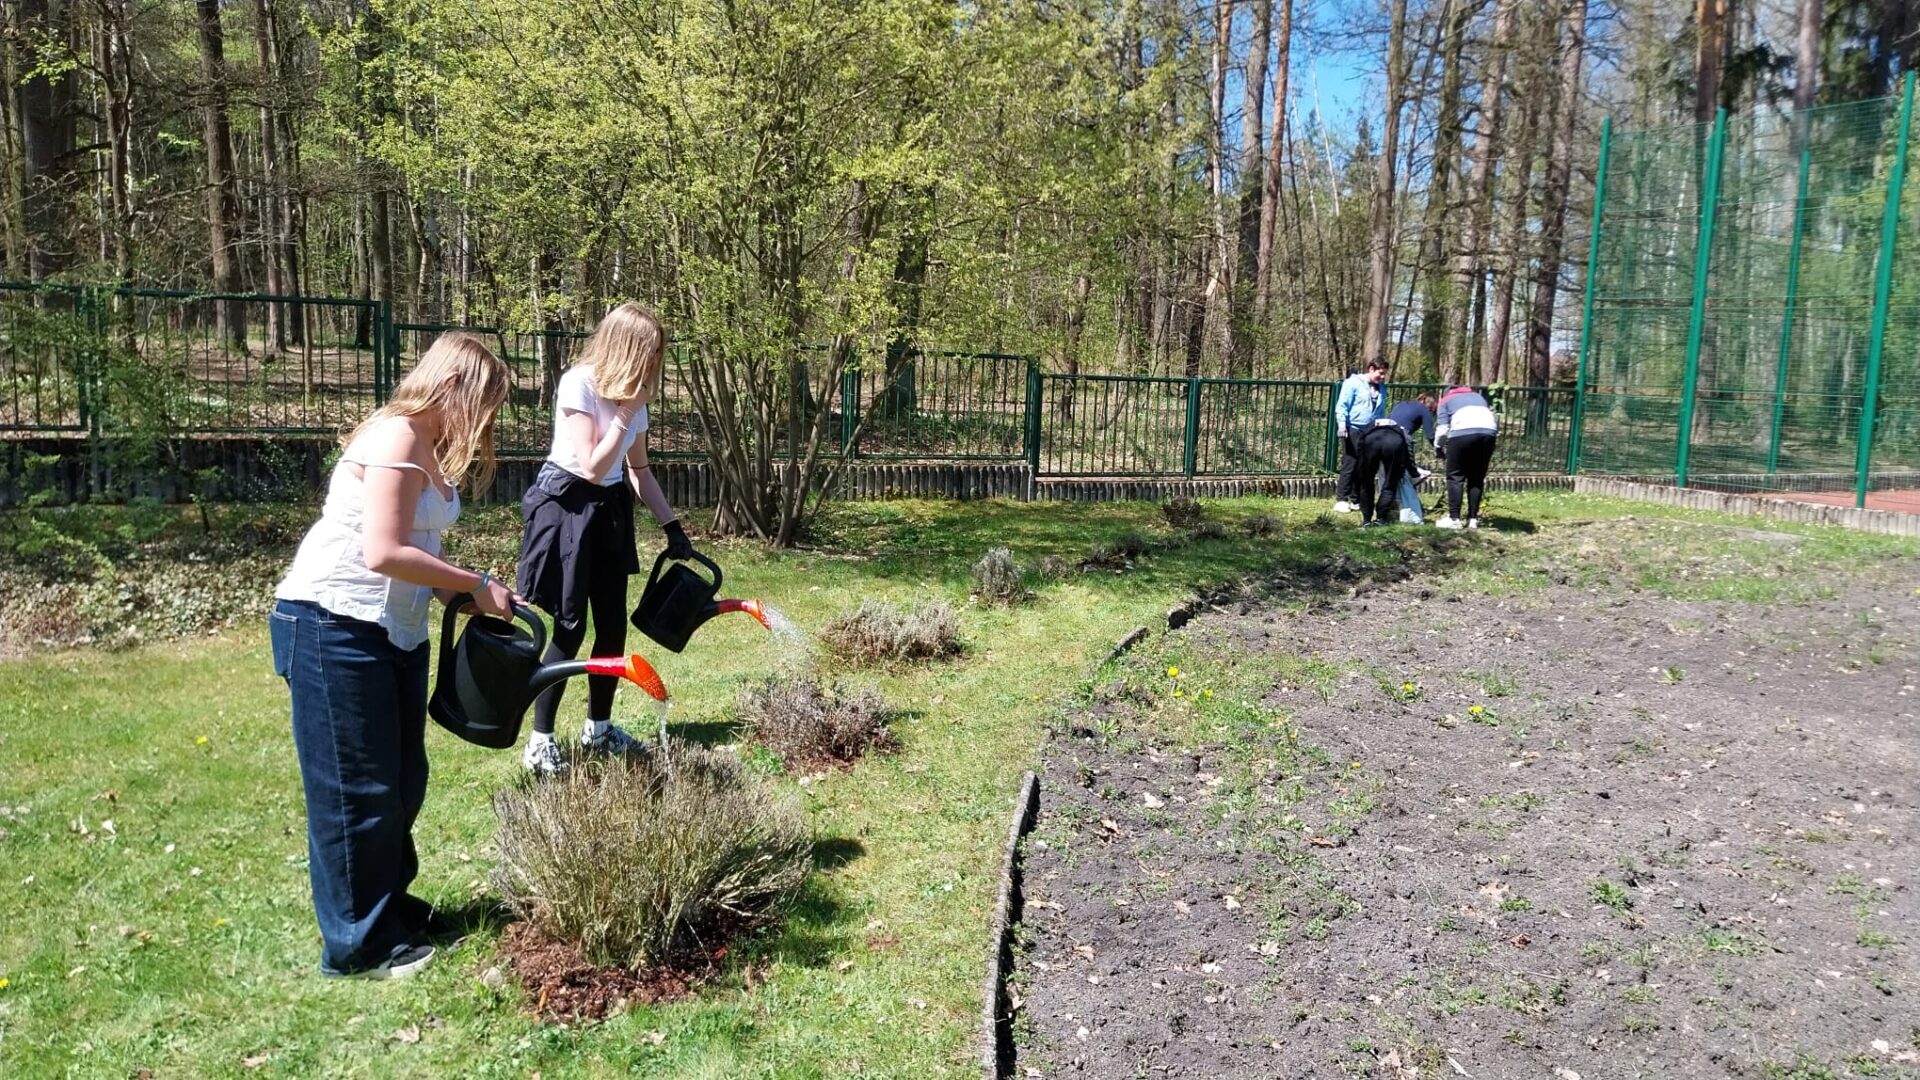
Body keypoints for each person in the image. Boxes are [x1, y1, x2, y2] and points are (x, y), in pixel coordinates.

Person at [271, 332, 513, 979]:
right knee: (357, 787)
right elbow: (381, 550)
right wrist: (474, 582)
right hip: (332, 624)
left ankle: (390, 911)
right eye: (484, 404)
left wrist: (469, 598)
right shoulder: (397, 436)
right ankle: (359, 947)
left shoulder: (427, 445)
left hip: (394, 632)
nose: (485, 421)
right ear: (453, 386)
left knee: (403, 781)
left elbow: (419, 549)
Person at [516, 301, 692, 776]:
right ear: (627, 347)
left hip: (609, 510)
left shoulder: (636, 400)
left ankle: (599, 728)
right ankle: (540, 741)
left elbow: (638, 470)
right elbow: (593, 466)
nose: (655, 363)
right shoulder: (580, 383)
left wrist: (671, 525)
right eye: (650, 352)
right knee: (569, 628)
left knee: (612, 627)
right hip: (567, 507)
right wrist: (625, 412)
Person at [1433, 384, 1500, 529]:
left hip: (1461, 433)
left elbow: (1443, 429)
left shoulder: (1445, 400)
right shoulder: (1478, 397)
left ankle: (1454, 519)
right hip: (1489, 433)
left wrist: (1438, 447)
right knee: (1476, 478)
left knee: (1455, 476)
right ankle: (1473, 519)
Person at [1333, 358, 1389, 512]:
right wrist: (1342, 424)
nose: (1382, 377)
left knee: (1364, 465)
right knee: (1350, 463)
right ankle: (1341, 499)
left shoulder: (1381, 387)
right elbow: (1342, 405)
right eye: (1380, 373)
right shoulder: (1353, 383)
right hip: (1353, 428)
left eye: (1384, 374)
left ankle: (1355, 499)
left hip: (1371, 430)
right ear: (1371, 369)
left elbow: (1380, 410)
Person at [1387, 392, 1438, 524]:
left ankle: (1390, 508)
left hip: (1384, 434)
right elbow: (1430, 435)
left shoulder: (1402, 404)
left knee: (1390, 474)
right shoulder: (1424, 410)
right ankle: (1410, 509)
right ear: (1431, 406)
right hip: (1401, 437)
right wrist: (1440, 450)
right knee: (1409, 475)